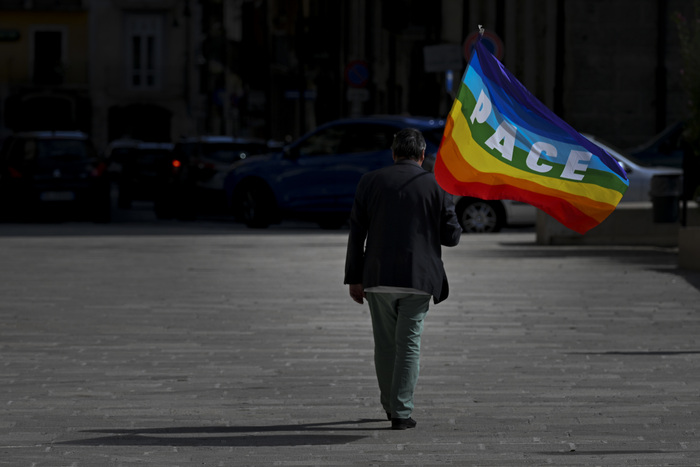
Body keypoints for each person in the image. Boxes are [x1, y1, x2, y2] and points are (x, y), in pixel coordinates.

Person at [344, 128, 462, 430]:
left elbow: (357, 234)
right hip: (418, 279)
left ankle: (389, 404)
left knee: (384, 345)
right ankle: (401, 411)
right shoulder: (438, 184)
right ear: (423, 156)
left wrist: (353, 278)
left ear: (393, 153)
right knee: (408, 345)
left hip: (378, 276)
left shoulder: (369, 181)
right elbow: (451, 237)